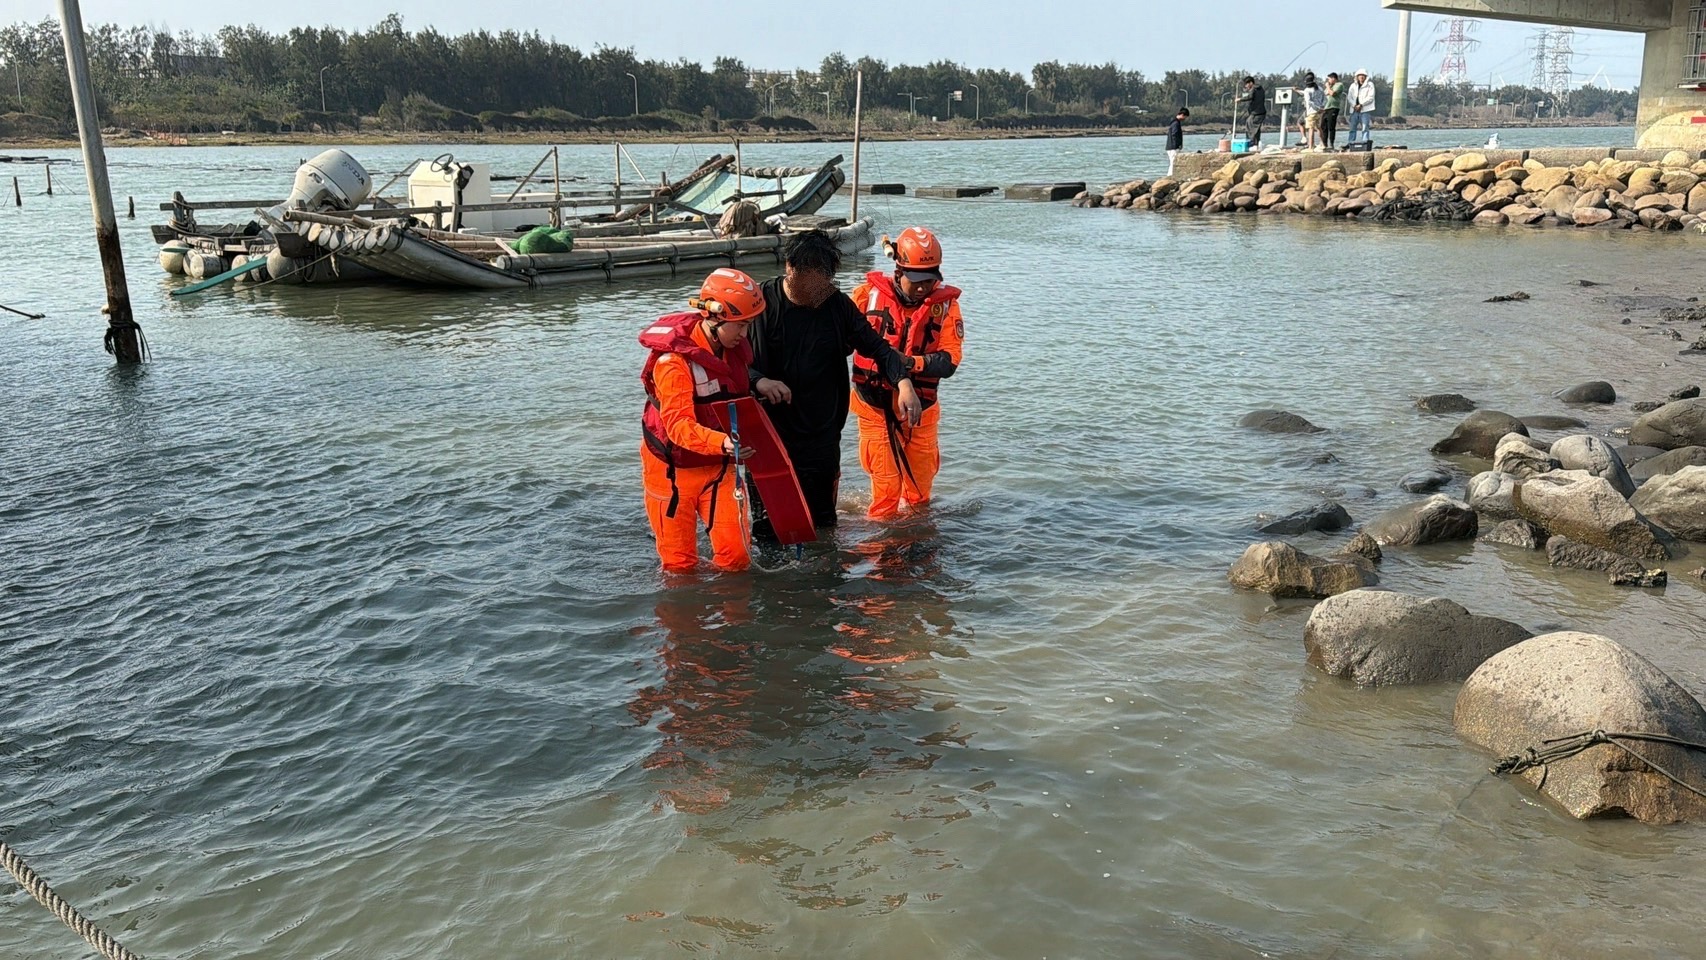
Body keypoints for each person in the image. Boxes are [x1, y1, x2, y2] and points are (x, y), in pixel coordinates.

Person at [747, 229, 921, 531]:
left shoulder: (837, 305)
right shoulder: (762, 304)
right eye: (809, 284)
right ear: (790, 268)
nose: (817, 293)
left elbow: (879, 348)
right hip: (770, 434)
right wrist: (759, 380)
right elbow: (728, 364)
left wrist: (903, 383)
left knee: (823, 524)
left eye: (823, 284)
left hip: (822, 434)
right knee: (769, 528)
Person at [638, 268, 766, 574]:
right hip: (672, 470)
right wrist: (723, 442)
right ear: (716, 317)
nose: (745, 335)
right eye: (741, 326)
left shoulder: (728, 350)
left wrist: (760, 384)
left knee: (737, 559)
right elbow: (678, 427)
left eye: (749, 326)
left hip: (720, 467)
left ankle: (735, 618)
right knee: (679, 567)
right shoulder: (673, 363)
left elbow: (731, 391)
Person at [849, 227, 965, 519]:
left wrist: (910, 363)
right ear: (898, 271)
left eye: (929, 279)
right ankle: (880, 553)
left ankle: (916, 545)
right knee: (886, 491)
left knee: (919, 493)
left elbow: (949, 362)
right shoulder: (866, 296)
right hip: (874, 406)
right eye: (915, 280)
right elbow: (834, 339)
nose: (923, 287)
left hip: (922, 411)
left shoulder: (947, 307)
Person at [1346, 69, 1377, 146]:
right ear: (1357, 76)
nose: (1361, 77)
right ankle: (1350, 143)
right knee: (1352, 128)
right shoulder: (1353, 85)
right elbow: (1349, 97)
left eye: (1363, 75)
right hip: (1354, 110)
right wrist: (1354, 105)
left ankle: (1365, 143)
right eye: (1360, 75)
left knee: (1365, 127)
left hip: (1365, 110)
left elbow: (1371, 97)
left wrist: (1361, 104)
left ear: (1366, 77)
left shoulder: (1370, 85)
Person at [1295, 74, 1324, 150]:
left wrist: (1317, 108)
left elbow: (1309, 101)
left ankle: (1311, 147)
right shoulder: (1320, 89)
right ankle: (1322, 144)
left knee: (1310, 129)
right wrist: (1322, 107)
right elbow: (1325, 99)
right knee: (1318, 127)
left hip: (1311, 112)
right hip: (1319, 112)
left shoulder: (1307, 90)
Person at [1238, 76, 1267, 149]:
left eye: (1247, 84)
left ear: (1251, 83)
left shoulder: (1253, 89)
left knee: (1250, 126)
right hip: (1261, 113)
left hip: (1256, 113)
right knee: (1256, 129)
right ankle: (1256, 144)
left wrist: (1240, 99)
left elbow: (1250, 97)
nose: (1246, 86)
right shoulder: (1261, 89)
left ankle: (1252, 144)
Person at [1321, 72, 1344, 151]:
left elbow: (1332, 93)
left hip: (1333, 107)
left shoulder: (1339, 85)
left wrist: (1327, 86)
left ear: (1333, 78)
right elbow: (1324, 95)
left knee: (1331, 126)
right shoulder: (1329, 87)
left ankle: (1331, 144)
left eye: (1329, 79)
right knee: (1323, 126)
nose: (1328, 81)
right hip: (1326, 108)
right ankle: (1324, 144)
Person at [1165, 106, 1189, 176]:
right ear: (1182, 115)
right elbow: (1174, 134)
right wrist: (1178, 145)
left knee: (1172, 162)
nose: (1185, 119)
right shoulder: (1176, 123)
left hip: (1171, 146)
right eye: (1185, 117)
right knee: (1173, 162)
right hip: (1173, 147)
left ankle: (1170, 176)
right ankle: (1170, 176)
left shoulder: (1174, 122)